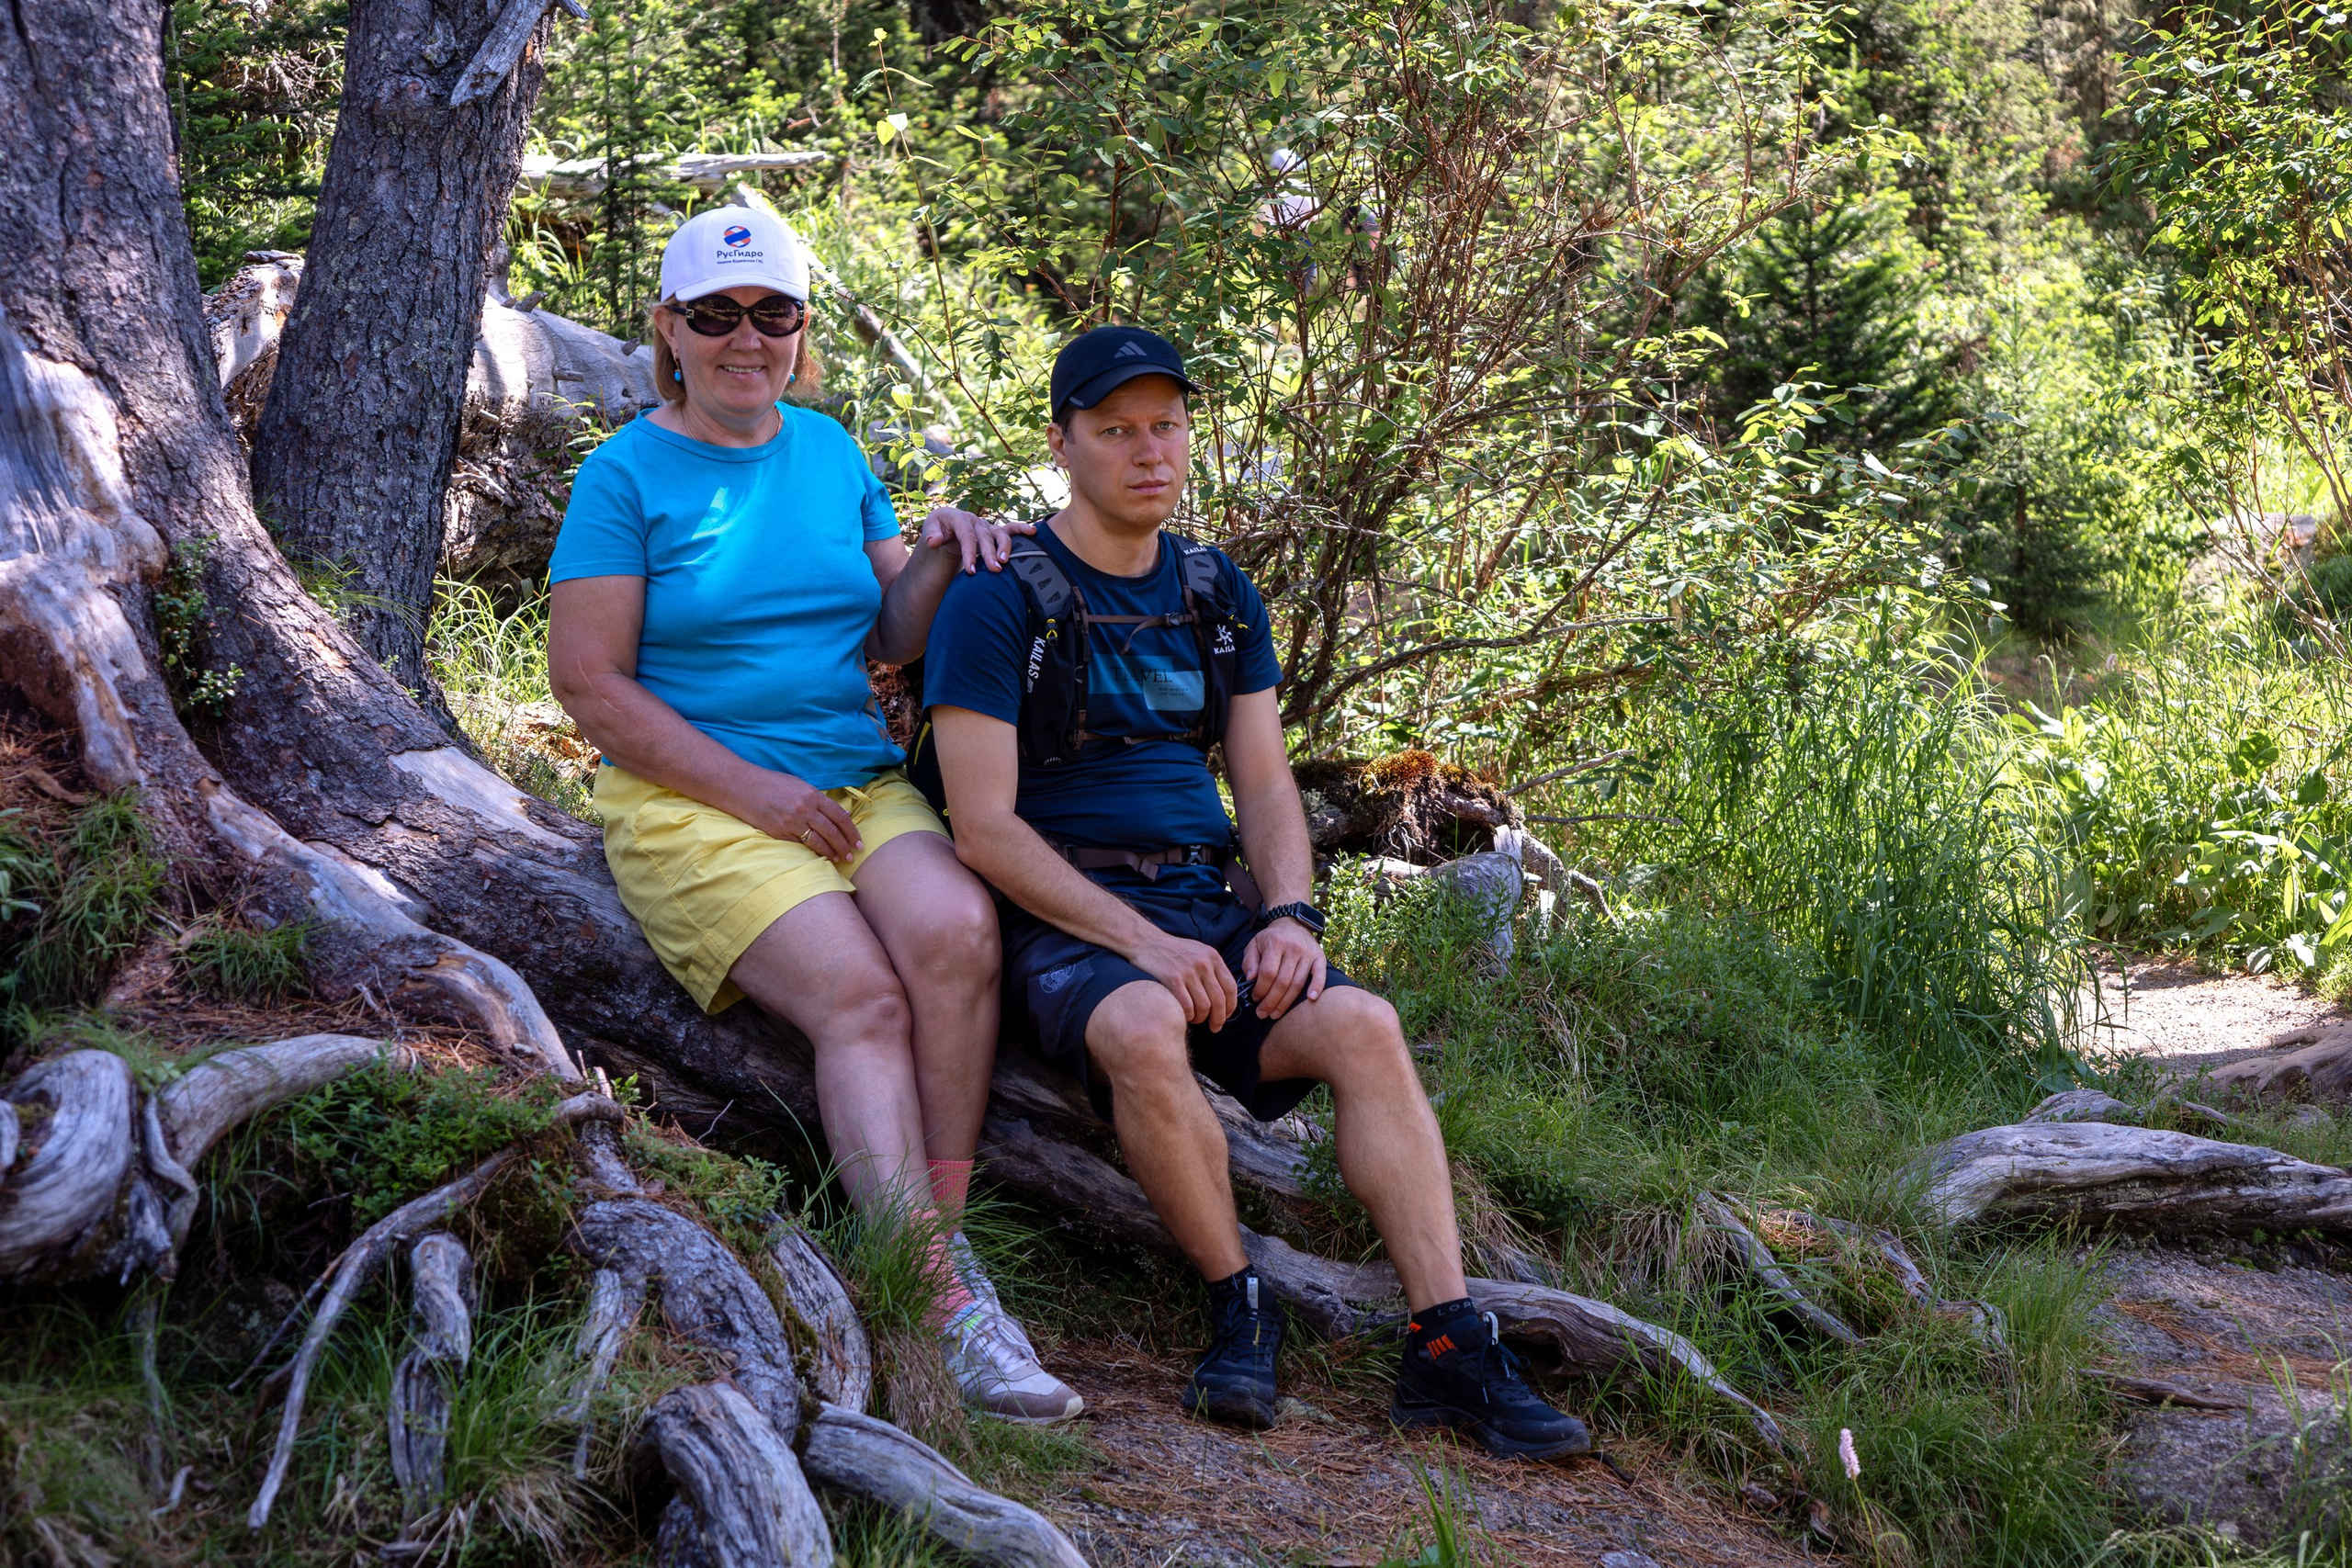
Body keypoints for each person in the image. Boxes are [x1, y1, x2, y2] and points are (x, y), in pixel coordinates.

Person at [920, 325, 1591, 1459]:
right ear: (1062, 444)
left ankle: (1446, 1344)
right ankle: (1239, 1302)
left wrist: (1288, 914)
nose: (1148, 452)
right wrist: (1144, 945)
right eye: (1115, 430)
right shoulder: (1002, 600)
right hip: (1068, 921)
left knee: (1366, 1026)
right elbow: (982, 828)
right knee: (1141, 1019)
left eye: (1166, 426)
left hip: (1206, 907)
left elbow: (1264, 778)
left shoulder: (1214, 588)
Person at [546, 205, 1080, 1423]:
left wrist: (939, 557)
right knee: (864, 993)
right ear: (668, 328)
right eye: (717, 315)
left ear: (800, 330)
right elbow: (589, 686)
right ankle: (944, 1295)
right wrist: (756, 794)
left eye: (772, 313)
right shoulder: (623, 474)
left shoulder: (834, 450)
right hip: (697, 798)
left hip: (849, 775)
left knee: (955, 937)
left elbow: (895, 638)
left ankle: (932, 1254)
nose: (747, 338)